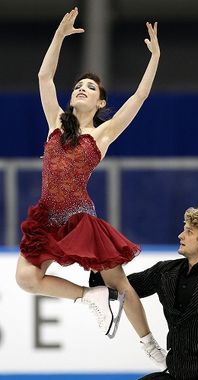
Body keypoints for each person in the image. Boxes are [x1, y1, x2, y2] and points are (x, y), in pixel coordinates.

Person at [15, 7, 166, 369]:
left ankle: (149, 345)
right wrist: (59, 35)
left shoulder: (102, 133)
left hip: (80, 219)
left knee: (122, 284)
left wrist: (155, 57)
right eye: (79, 85)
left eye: (91, 87)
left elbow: (139, 99)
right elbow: (44, 75)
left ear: (100, 102)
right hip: (47, 218)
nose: (82, 88)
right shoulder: (55, 121)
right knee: (26, 279)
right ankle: (90, 297)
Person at [89, 205, 198, 380]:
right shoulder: (165, 271)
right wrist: (98, 257)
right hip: (177, 372)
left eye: (189, 232)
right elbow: (121, 287)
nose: (180, 235)